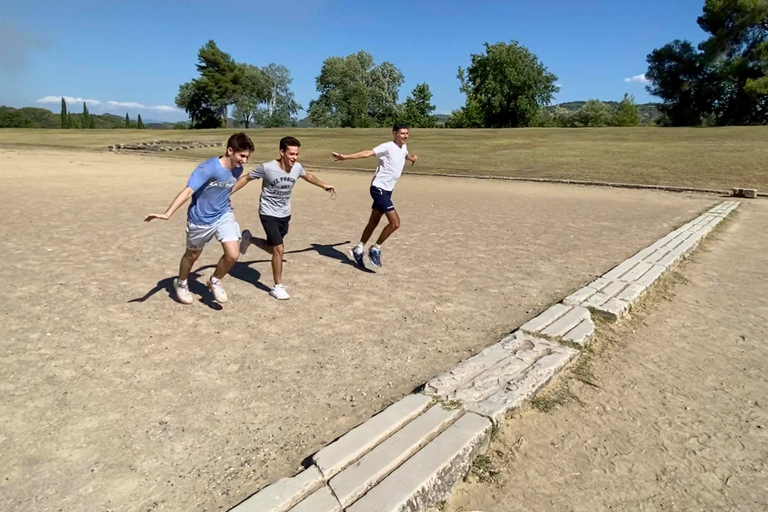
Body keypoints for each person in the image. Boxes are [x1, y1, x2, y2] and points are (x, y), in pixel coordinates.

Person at [144, 132, 254, 304]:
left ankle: (215, 281)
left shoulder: (238, 169)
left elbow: (228, 187)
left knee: (233, 254)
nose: (244, 161)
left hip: (223, 215)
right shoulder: (208, 168)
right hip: (200, 220)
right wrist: (167, 213)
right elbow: (188, 191)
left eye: (247, 157)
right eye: (242, 156)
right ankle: (180, 283)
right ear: (230, 150)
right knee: (192, 255)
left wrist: (225, 198)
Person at [233, 136, 335, 300]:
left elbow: (308, 176)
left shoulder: (297, 168)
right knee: (279, 249)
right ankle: (277, 286)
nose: (294, 157)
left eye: (296, 154)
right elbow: (246, 178)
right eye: (291, 154)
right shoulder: (267, 168)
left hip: (285, 214)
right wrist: (227, 193)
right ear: (281, 152)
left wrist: (323, 185)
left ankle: (248, 238)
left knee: (274, 248)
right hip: (267, 212)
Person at [332, 124, 418, 269]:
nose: (405, 136)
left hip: (388, 190)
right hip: (379, 188)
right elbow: (367, 153)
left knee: (374, 221)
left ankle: (358, 248)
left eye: (407, 133)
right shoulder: (387, 147)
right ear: (394, 133)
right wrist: (345, 157)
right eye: (402, 133)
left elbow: (406, 154)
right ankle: (375, 248)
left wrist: (413, 158)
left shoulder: (403, 147)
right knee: (395, 223)